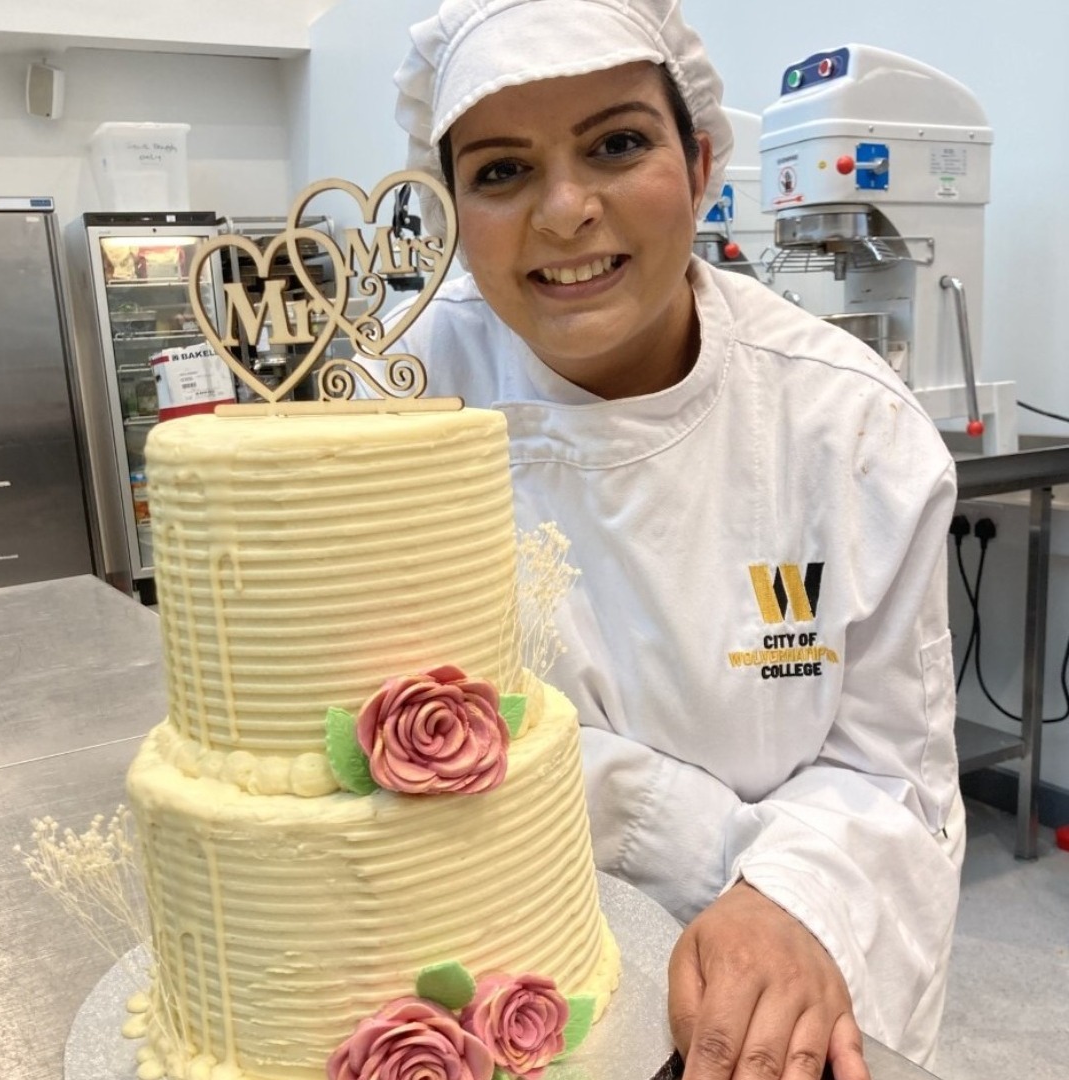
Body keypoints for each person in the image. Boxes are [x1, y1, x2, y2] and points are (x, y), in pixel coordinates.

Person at [392, 2, 965, 1078]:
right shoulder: (401, 400)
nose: (566, 212)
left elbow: (898, 778)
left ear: (701, 161)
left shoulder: (847, 428)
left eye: (617, 144)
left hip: (768, 978)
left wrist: (790, 895)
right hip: (477, 983)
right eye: (502, 172)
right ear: (450, 210)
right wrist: (724, 847)